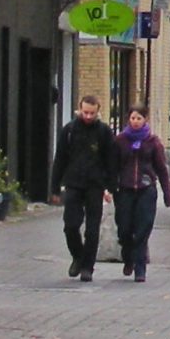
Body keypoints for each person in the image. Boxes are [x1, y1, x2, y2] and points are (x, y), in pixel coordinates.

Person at [51, 94, 119, 282]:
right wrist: (55, 188)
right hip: (73, 183)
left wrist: (110, 187)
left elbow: (111, 161)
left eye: (92, 113)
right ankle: (77, 256)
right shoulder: (70, 130)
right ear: (80, 110)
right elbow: (60, 160)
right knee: (70, 226)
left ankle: (88, 266)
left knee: (92, 229)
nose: (88, 116)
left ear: (98, 112)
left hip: (95, 185)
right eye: (85, 112)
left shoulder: (104, 132)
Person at [112, 104, 170, 284]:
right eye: (132, 118)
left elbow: (161, 168)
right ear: (128, 120)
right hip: (124, 189)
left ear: (145, 119)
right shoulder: (120, 141)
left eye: (139, 118)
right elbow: (113, 166)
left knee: (142, 229)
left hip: (146, 189)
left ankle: (140, 268)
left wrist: (167, 192)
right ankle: (128, 256)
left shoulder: (153, 142)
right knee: (124, 229)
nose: (135, 121)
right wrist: (110, 186)